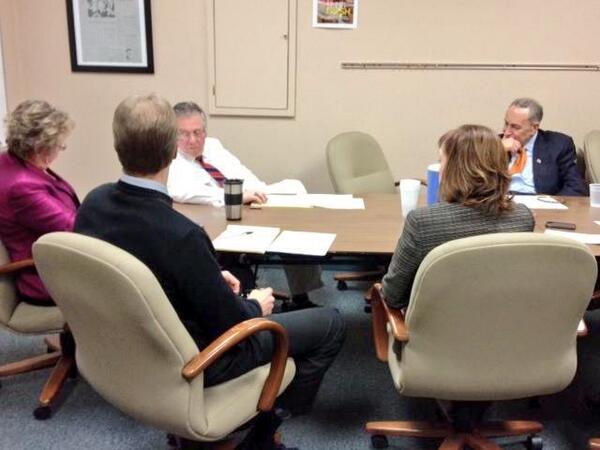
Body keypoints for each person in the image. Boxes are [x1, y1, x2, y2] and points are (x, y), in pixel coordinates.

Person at [74, 94, 345, 447]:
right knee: (331, 324)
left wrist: (209, 277)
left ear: (117, 146)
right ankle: (262, 432)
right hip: (200, 359)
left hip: (125, 350)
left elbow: (145, 269)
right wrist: (256, 305)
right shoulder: (181, 234)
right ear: (172, 151)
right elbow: (231, 324)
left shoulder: (93, 204)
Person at [167, 101, 323, 310]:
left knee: (294, 190)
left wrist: (258, 192)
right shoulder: (171, 157)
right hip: (218, 218)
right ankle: (258, 298)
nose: (192, 140)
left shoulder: (213, 145)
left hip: (247, 205)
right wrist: (237, 196)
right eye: (184, 134)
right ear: (173, 134)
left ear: (205, 131)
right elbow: (182, 191)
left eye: (197, 132)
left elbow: (241, 173)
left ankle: (301, 294)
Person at [382, 124, 535, 309]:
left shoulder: (423, 222)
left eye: (441, 161)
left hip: (437, 324)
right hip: (502, 320)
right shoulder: (522, 217)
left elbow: (392, 295)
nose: (439, 169)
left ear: (453, 170)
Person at [0, 99, 78, 305]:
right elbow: (74, 228)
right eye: (60, 145)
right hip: (47, 277)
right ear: (40, 147)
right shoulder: (22, 187)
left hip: (58, 255)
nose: (61, 150)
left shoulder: (10, 159)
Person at [501, 97, 587, 196]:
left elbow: (576, 187)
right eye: (506, 124)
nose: (506, 132)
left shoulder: (558, 145)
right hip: (501, 202)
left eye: (515, 127)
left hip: (539, 202)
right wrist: (497, 149)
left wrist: (550, 203)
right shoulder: (495, 143)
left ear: (534, 128)